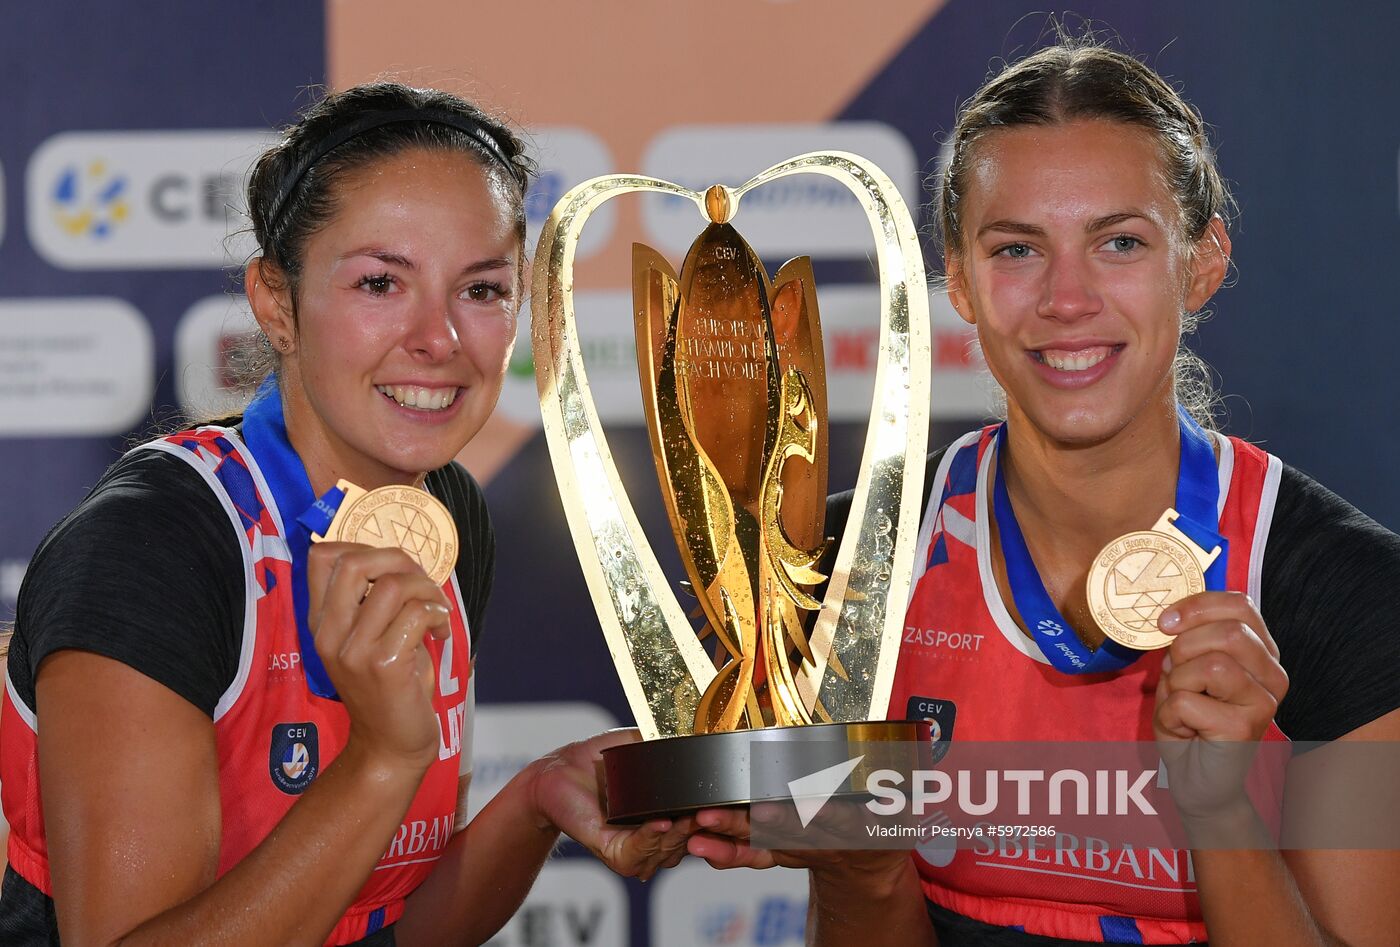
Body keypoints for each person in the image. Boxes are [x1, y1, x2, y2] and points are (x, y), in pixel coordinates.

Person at [688, 40, 1400, 945]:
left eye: (1120, 242)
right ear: (963, 280)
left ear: (1202, 262)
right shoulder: (849, 569)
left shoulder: (1343, 592)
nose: (1067, 298)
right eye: (1018, 248)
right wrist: (860, 862)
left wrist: (1220, 811)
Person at [0, 82, 689, 946]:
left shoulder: (444, 513)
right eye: (380, 282)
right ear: (276, 304)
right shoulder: (151, 550)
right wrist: (383, 759)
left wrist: (540, 797)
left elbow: (381, 925)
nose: (439, 338)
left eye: (482, 290)